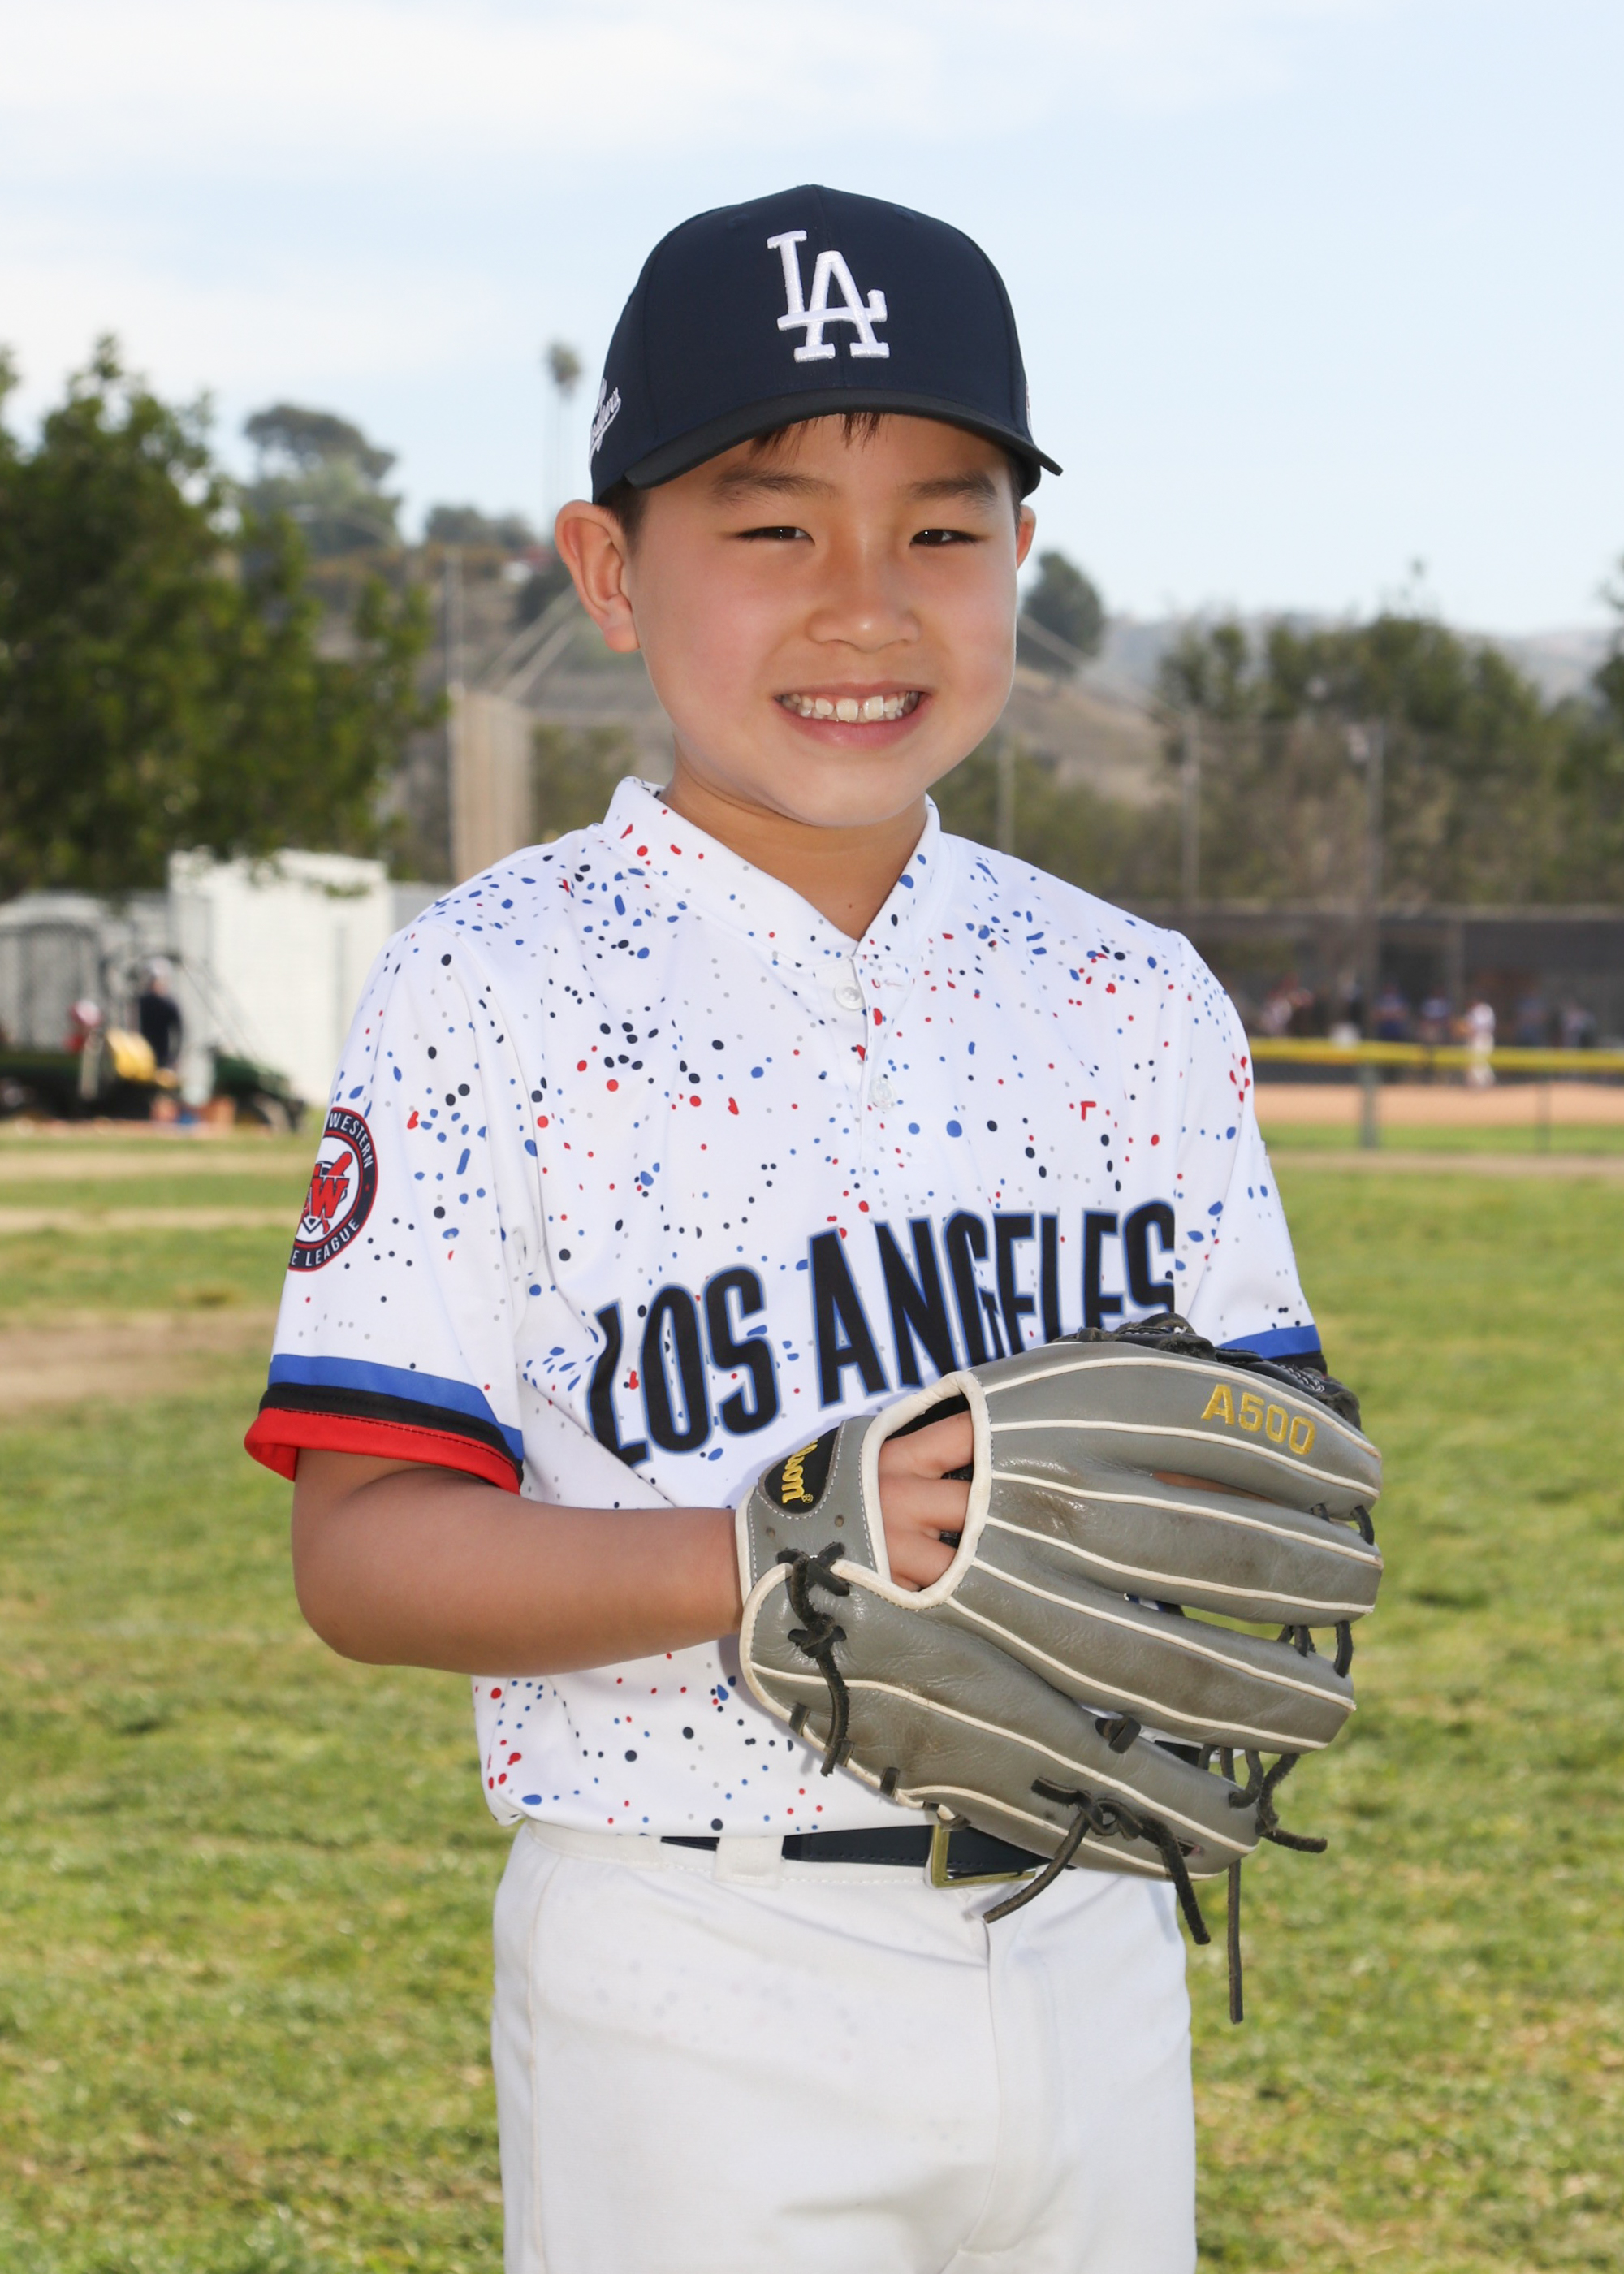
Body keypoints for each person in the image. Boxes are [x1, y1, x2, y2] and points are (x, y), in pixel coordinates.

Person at [247, 186, 1332, 2274]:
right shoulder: (491, 985)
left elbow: (1261, 1471)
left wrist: (1188, 1527)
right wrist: (777, 1549)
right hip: (696, 1959)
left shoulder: (1129, 992)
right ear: (609, 570)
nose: (864, 605)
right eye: (769, 527)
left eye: (937, 528)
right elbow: (363, 1553)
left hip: (1092, 1933)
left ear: (1021, 557)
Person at [136, 959, 184, 1071]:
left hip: (162, 1059)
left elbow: (179, 1033)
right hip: (141, 1057)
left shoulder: (168, 1005)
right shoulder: (141, 1002)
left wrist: (175, 1058)